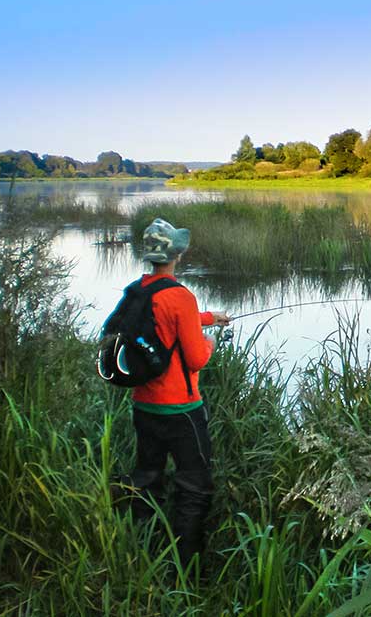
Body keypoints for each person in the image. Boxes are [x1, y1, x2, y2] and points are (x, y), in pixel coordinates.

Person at [122, 217, 230, 571]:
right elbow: (196, 358)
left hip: (144, 406)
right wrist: (210, 341)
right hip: (182, 409)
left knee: (148, 477)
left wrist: (209, 317)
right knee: (194, 485)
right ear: (176, 255)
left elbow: (164, 321)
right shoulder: (180, 296)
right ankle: (188, 567)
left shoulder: (138, 291)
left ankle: (144, 547)